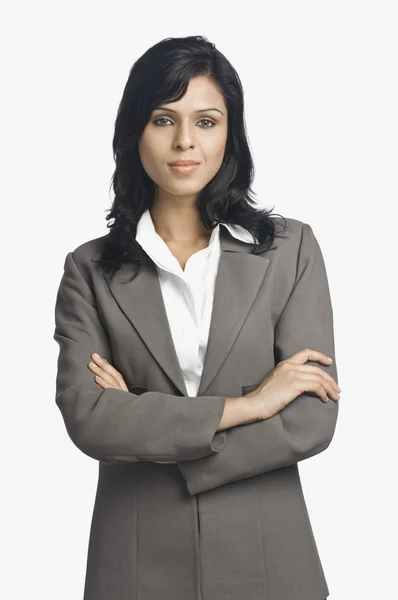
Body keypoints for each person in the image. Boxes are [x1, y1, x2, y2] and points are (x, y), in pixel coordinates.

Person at [53, 35, 339, 600]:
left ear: (230, 133)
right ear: (134, 130)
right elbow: (90, 419)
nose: (185, 141)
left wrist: (146, 422)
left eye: (206, 121)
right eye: (164, 119)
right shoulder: (88, 270)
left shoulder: (291, 251)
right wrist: (250, 405)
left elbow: (310, 417)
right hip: (135, 569)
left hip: (269, 562)